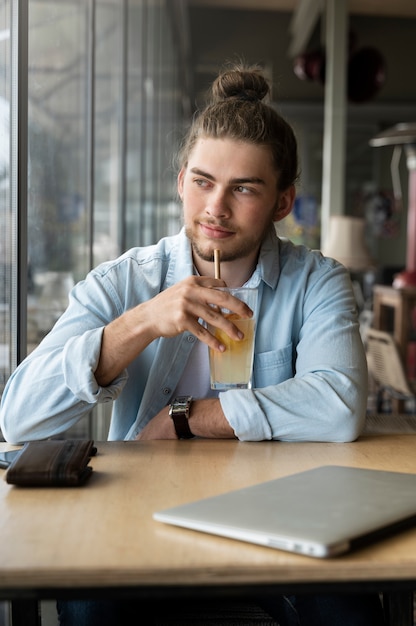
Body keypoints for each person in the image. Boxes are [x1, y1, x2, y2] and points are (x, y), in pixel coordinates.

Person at [0, 63, 385, 626]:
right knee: (89, 606)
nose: (216, 209)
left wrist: (188, 417)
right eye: (203, 182)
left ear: (282, 202)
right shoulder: (125, 281)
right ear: (181, 181)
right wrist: (141, 324)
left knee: (347, 610)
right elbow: (18, 419)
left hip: (280, 511)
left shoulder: (316, 281)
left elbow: (342, 404)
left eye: (244, 189)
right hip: (137, 511)